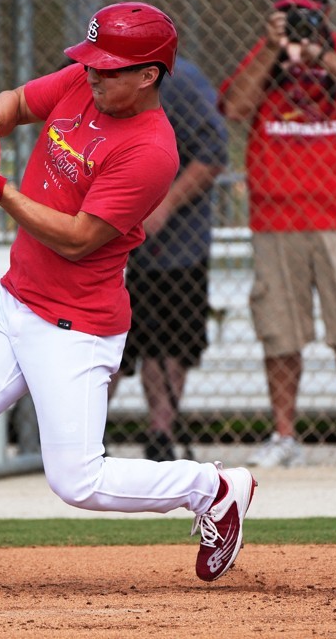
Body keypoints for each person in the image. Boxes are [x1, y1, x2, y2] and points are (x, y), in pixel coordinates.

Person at [0, 1, 256, 603]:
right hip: (10, 302)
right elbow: (10, 102)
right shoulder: (85, 87)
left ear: (149, 75)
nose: (93, 76)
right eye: (91, 64)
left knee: (76, 480)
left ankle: (212, 488)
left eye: (111, 69)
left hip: (75, 328)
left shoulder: (151, 151)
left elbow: (80, 239)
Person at [219, 0, 336, 467]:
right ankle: (284, 436)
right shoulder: (265, 51)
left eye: (306, 15)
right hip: (276, 215)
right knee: (280, 329)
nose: (297, 22)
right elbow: (235, 107)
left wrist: (320, 52)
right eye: (289, 15)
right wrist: (273, 49)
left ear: (326, 15)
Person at [107, 55, 228, 461]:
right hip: (107, 238)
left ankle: (160, 433)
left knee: (170, 340)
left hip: (176, 244)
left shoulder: (184, 84)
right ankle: (84, 435)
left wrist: (167, 204)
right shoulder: (90, 82)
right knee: (107, 339)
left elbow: (214, 152)